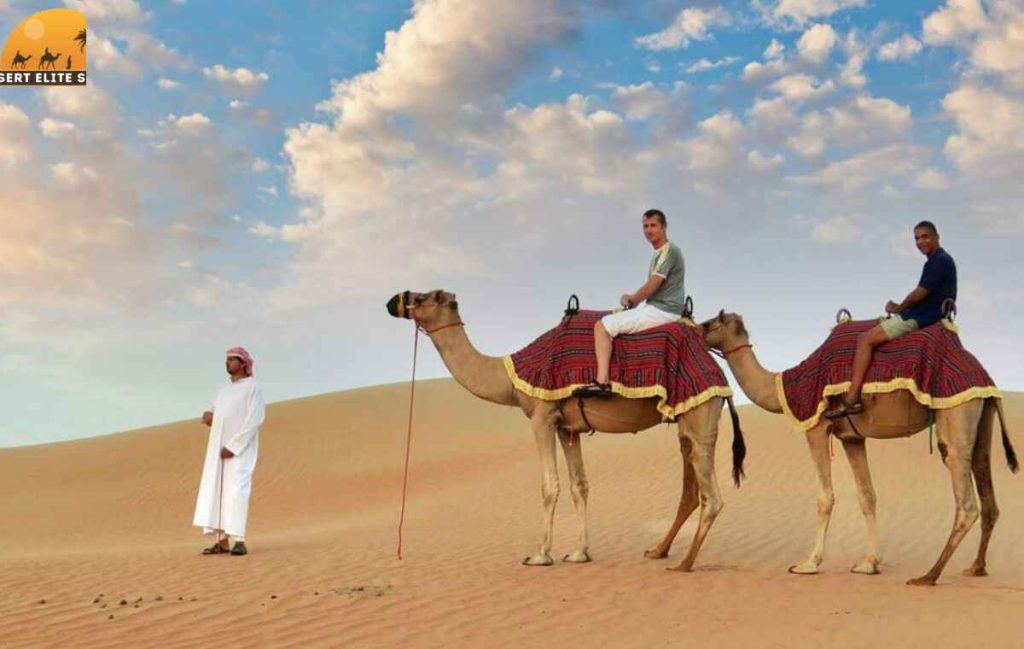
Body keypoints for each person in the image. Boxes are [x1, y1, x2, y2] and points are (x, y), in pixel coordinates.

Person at [824, 220, 957, 419]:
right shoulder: (936, 260)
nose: (920, 242)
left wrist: (898, 308)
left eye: (925, 236)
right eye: (917, 238)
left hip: (923, 316)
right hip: (927, 312)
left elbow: (919, 294)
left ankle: (852, 398)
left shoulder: (939, 261)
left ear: (937, 237)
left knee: (865, 340)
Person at [574, 209, 687, 398]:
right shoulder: (659, 253)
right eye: (645, 226)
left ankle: (602, 381)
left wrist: (632, 299)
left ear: (664, 227)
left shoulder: (670, 251)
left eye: (653, 225)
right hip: (657, 307)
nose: (649, 230)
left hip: (662, 310)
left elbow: (654, 284)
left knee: (601, 326)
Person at [194, 347, 265, 555]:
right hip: (218, 450)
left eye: (232, 360)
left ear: (243, 363)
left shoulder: (253, 388)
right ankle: (222, 541)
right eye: (226, 360)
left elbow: (255, 419)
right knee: (219, 491)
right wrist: (209, 418)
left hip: (239, 451)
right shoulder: (223, 391)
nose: (228, 363)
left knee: (237, 492)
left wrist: (234, 447)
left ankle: (239, 540)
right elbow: (218, 416)